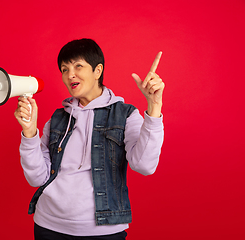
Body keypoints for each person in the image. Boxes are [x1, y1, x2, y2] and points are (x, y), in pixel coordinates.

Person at [14, 38, 165, 240]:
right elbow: (37, 178)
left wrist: (154, 107)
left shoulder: (125, 115)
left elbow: (145, 165)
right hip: (48, 227)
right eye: (64, 69)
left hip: (103, 231)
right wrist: (30, 133)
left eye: (78, 66)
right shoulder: (57, 119)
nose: (70, 75)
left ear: (97, 71)